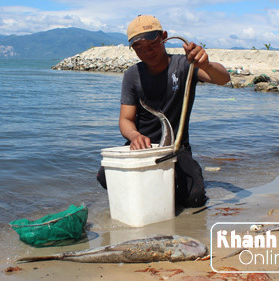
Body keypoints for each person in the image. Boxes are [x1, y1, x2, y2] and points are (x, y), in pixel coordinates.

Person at [97, 15, 230, 208]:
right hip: (141, 147)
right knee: (104, 177)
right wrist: (134, 136)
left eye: (151, 44)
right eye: (139, 47)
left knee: (195, 198)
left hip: (176, 148)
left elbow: (223, 78)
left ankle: (172, 185)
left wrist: (206, 64)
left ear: (164, 37)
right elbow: (125, 120)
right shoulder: (132, 75)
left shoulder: (185, 65)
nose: (146, 52)